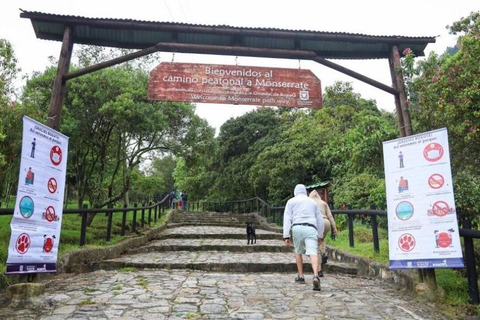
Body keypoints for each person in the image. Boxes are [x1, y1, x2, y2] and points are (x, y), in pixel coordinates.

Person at [283, 184, 324, 291]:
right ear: (305, 192)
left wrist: (286, 235)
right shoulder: (312, 202)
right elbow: (319, 219)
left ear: (295, 192)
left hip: (297, 228)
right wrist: (320, 235)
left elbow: (287, 218)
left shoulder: (291, 201)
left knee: (298, 251)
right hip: (311, 228)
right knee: (313, 252)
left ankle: (301, 276)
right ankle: (315, 275)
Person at [309, 190, 337, 277]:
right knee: (321, 239)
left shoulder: (310, 203)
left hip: (317, 223)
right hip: (326, 222)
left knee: (316, 245)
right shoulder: (323, 203)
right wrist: (334, 227)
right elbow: (330, 215)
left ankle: (319, 270)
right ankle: (324, 252)